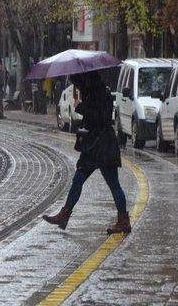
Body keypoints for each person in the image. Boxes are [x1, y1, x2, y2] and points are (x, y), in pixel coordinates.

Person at [42, 70, 131, 234]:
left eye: (78, 82)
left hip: (100, 146)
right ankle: (66, 214)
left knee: (111, 184)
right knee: (81, 180)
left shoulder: (98, 93)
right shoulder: (96, 91)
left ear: (87, 79)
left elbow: (101, 118)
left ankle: (123, 220)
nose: (77, 85)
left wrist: (82, 107)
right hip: (99, 145)